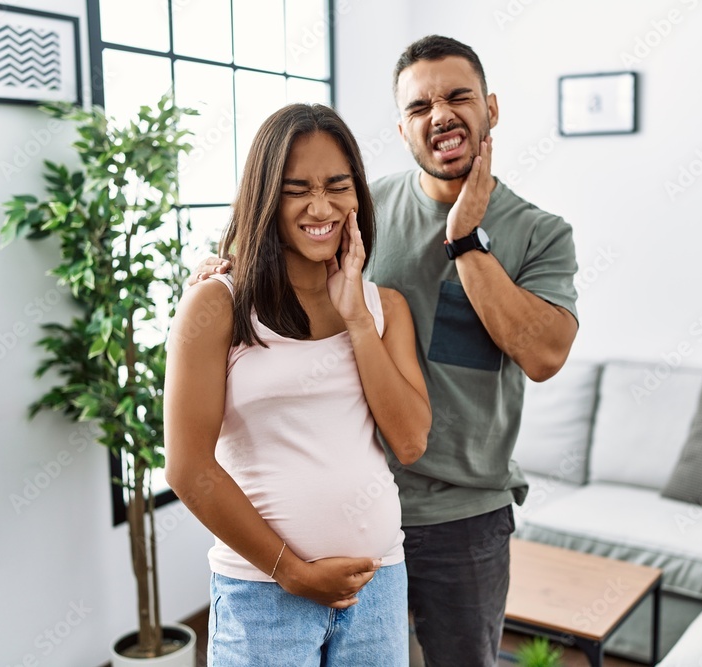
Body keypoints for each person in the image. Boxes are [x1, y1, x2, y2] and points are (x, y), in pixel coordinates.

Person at [193, 35, 579, 666]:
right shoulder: (360, 209)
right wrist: (212, 274)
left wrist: (465, 242)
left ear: (492, 108)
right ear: (402, 127)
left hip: (462, 512)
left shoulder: (539, 233)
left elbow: (543, 357)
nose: (442, 115)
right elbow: (279, 250)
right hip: (361, 507)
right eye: (420, 106)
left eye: (458, 97)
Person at [165, 103, 431, 667]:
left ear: (358, 192)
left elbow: (409, 442)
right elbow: (189, 469)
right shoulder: (217, 305)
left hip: (378, 585)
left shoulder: (386, 310)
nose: (321, 206)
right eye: (296, 189)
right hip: (264, 594)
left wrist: (357, 317)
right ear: (266, 196)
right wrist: (294, 573)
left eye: (338, 185)